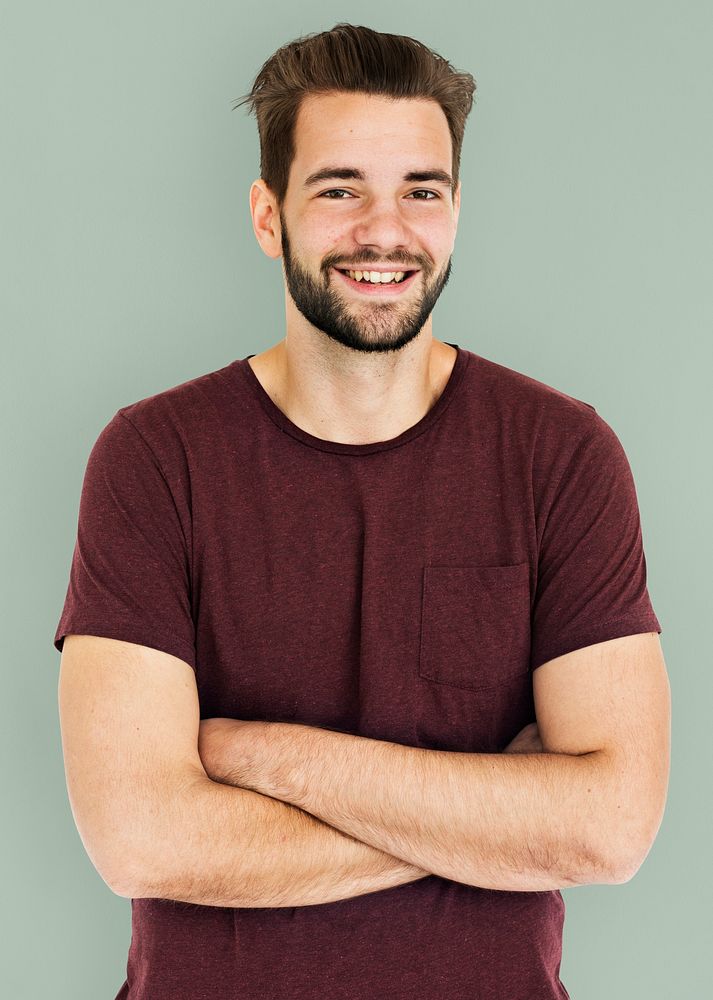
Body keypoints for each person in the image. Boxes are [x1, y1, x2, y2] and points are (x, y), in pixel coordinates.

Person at [54, 22, 671, 1000]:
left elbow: (609, 826)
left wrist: (259, 755)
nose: (384, 232)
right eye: (339, 189)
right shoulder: (153, 460)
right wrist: (488, 814)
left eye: (419, 191)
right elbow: (140, 841)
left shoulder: (560, 457)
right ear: (268, 216)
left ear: (455, 211)